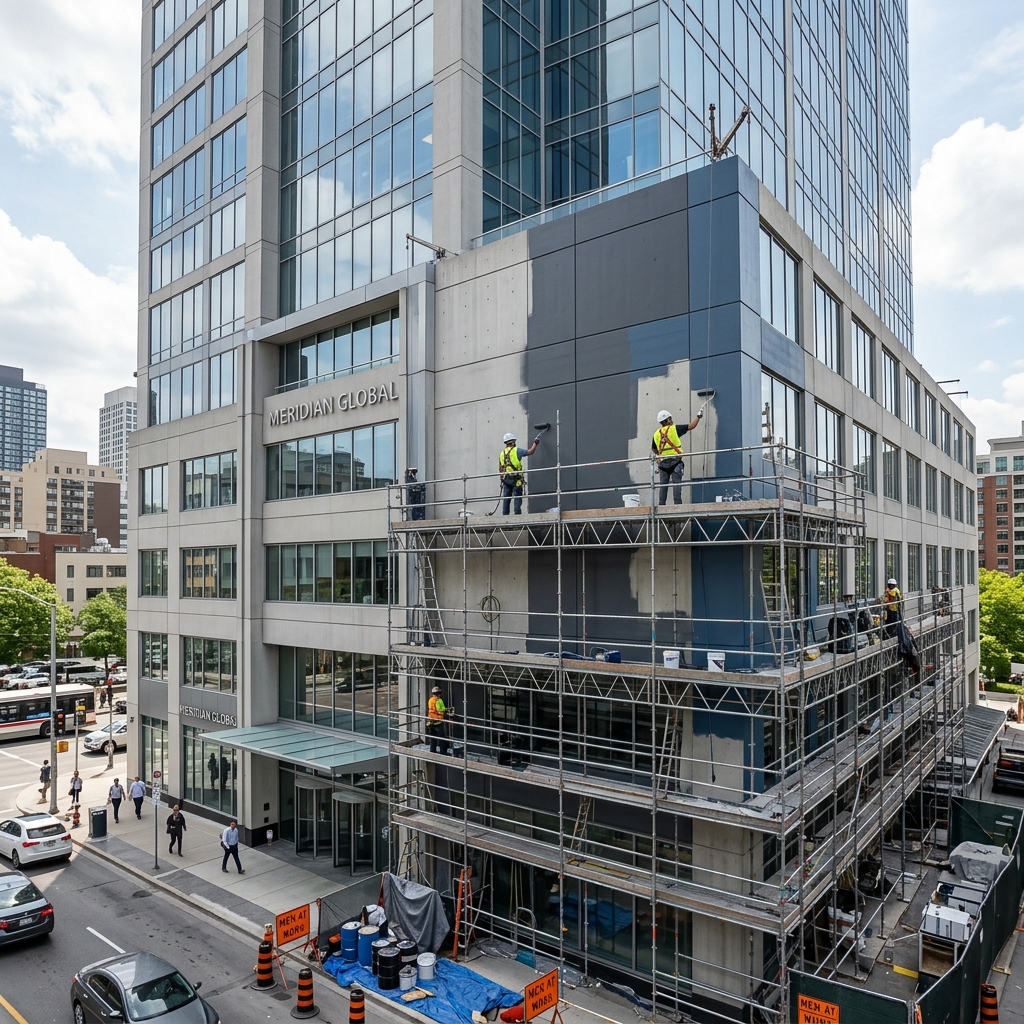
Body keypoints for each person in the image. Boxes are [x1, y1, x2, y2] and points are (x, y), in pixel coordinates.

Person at [652, 409, 701, 506]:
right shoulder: (674, 429)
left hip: (662, 464)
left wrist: (661, 454)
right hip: (675, 462)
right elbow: (691, 426)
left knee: (663, 486)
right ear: (668, 419)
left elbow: (654, 449)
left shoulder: (656, 434)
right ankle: (677, 507)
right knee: (677, 486)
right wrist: (698, 417)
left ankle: (661, 507)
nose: (672, 420)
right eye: (670, 418)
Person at [499, 431, 541, 516]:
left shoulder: (501, 453)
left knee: (506, 500)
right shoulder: (517, 450)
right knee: (517, 500)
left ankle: (504, 519)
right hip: (516, 480)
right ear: (513, 441)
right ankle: (518, 517)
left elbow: (501, 468)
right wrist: (535, 443)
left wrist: (502, 478)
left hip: (506, 480)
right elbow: (530, 452)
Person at [426, 685, 450, 755]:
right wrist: (446, 710)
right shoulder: (439, 701)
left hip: (431, 721)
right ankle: (443, 751)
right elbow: (440, 710)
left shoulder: (430, 700)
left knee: (433, 738)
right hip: (438, 722)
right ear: (439, 693)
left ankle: (432, 750)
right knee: (442, 738)